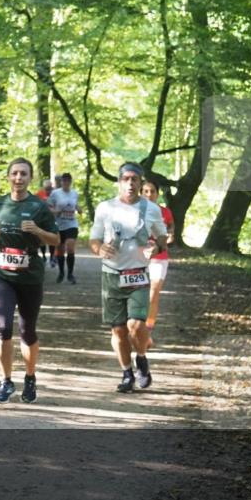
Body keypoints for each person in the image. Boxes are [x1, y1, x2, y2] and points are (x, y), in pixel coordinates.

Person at [88, 162, 167, 393]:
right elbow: (93, 239)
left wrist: (156, 248)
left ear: (141, 183)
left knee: (135, 324)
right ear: (119, 182)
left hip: (138, 275)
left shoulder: (151, 209)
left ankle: (141, 357)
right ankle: (126, 373)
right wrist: (100, 249)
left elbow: (162, 238)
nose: (130, 183)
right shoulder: (105, 208)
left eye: (135, 179)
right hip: (112, 275)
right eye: (126, 179)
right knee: (119, 330)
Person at [0, 159, 60, 403]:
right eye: (15, 173)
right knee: (3, 327)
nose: (19, 178)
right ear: (8, 177)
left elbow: (56, 240)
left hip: (30, 275)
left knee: (27, 330)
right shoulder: (1, 203)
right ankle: (6, 381)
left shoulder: (39, 206)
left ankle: (30, 377)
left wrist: (38, 231)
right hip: (3, 274)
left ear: (30, 178)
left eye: (24, 174)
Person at [141, 180, 175, 346]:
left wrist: (168, 237)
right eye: (145, 191)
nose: (149, 195)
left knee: (153, 293)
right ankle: (134, 328)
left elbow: (170, 229)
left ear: (157, 193)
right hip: (137, 258)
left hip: (159, 257)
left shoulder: (165, 212)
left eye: (152, 191)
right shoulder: (134, 211)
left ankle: (147, 331)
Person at [47, 172, 81, 283]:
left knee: (70, 247)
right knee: (60, 249)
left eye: (68, 181)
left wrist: (79, 209)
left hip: (72, 223)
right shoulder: (55, 194)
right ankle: (61, 272)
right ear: (61, 182)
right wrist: (55, 211)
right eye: (64, 181)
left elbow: (75, 204)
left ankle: (70, 274)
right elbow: (49, 207)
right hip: (59, 224)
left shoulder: (74, 193)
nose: (66, 183)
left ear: (70, 182)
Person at [35, 178, 54, 263]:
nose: (48, 190)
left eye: (49, 188)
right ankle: (43, 256)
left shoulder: (55, 194)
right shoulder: (38, 194)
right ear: (43, 188)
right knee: (42, 239)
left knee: (51, 238)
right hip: (42, 220)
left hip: (52, 220)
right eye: (46, 188)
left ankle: (52, 256)